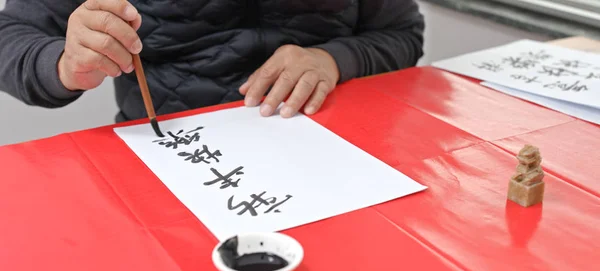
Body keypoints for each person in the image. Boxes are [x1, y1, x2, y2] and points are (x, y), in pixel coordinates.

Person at [0, 0, 424, 122]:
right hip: (170, 164)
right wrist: (63, 62)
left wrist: (334, 60)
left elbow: (403, 34)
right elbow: (10, 37)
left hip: (334, 151)